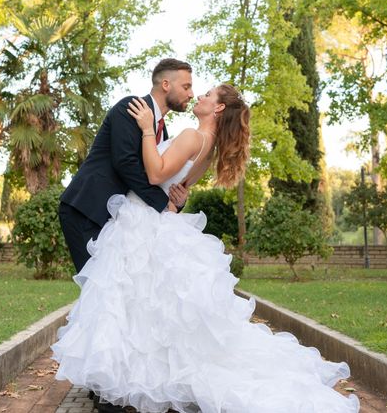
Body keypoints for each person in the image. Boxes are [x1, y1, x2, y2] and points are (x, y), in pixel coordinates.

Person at [52, 83, 360, 413]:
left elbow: (154, 174)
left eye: (208, 95)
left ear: (218, 110)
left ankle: (118, 383)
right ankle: (120, 384)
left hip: (142, 222)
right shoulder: (207, 147)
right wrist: (175, 197)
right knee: (148, 309)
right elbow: (177, 191)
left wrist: (144, 129)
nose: (199, 96)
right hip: (157, 220)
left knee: (128, 305)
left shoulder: (190, 135)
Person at [59, 58, 195, 274]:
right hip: (87, 209)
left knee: (118, 290)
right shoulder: (132, 107)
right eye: (186, 86)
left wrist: (175, 203)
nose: (191, 94)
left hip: (118, 219)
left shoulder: (162, 131)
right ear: (166, 84)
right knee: (98, 287)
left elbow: (154, 176)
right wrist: (162, 205)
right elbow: (125, 163)